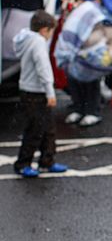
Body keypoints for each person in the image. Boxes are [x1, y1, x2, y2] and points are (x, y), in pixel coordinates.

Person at [12, 10, 68, 177]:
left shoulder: (27, 39)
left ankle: (47, 161)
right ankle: (23, 164)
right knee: (36, 130)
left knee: (46, 128)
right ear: (45, 30)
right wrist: (50, 92)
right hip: (37, 92)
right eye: (51, 32)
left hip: (28, 90)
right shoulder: (38, 43)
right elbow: (43, 69)